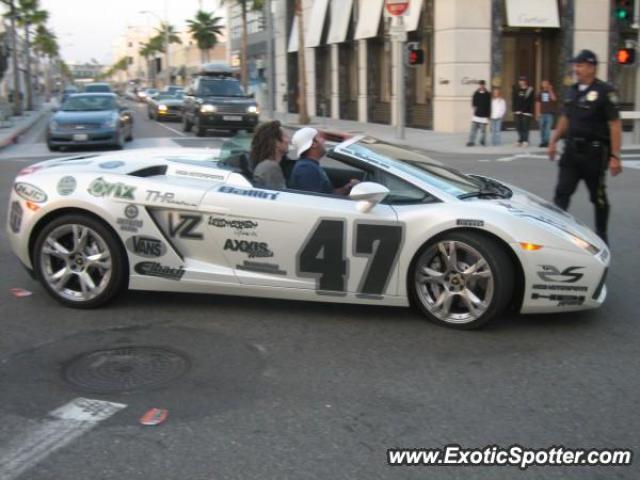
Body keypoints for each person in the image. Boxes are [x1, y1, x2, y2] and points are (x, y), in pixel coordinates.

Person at [547, 49, 623, 245]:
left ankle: (601, 234)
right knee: (561, 194)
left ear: (591, 68)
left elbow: (614, 124)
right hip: (571, 153)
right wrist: (553, 141)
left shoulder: (605, 92)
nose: (576, 69)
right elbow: (565, 118)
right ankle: (557, 234)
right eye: (575, 65)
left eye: (580, 66)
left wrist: (615, 156)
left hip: (594, 155)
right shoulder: (572, 90)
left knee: (598, 198)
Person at [289, 127, 358, 195]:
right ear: (314, 144)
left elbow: (327, 195)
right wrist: (350, 187)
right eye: (320, 137)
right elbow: (319, 200)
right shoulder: (306, 169)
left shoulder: (310, 165)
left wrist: (349, 187)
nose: (324, 141)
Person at [250, 120, 289, 190]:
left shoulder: (265, 165)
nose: (288, 140)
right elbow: (282, 197)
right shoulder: (270, 167)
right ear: (276, 142)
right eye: (285, 136)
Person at [466, 80, 491, 146]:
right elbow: (473, 103)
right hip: (476, 115)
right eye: (480, 84)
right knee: (473, 129)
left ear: (484, 85)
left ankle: (482, 141)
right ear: (479, 85)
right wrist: (475, 108)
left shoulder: (488, 94)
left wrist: (488, 115)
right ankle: (471, 141)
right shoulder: (476, 93)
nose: (481, 86)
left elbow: (489, 105)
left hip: (484, 115)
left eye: (483, 84)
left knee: (483, 131)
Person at [513, 76, 534, 146]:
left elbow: (530, 102)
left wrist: (527, 110)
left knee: (525, 127)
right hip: (518, 111)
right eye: (520, 81)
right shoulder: (517, 90)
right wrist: (515, 109)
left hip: (526, 112)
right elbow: (515, 100)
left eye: (523, 80)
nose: (521, 82)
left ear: (525, 81)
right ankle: (520, 139)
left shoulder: (530, 90)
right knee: (519, 126)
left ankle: (525, 140)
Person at [536, 80, 557, 147]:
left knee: (547, 129)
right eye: (543, 83)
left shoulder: (551, 92)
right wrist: (537, 113)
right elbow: (537, 103)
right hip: (542, 113)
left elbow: (554, 99)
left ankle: (546, 142)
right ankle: (542, 141)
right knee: (542, 128)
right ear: (541, 85)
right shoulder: (540, 93)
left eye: (546, 83)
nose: (545, 85)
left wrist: (550, 90)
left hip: (549, 113)